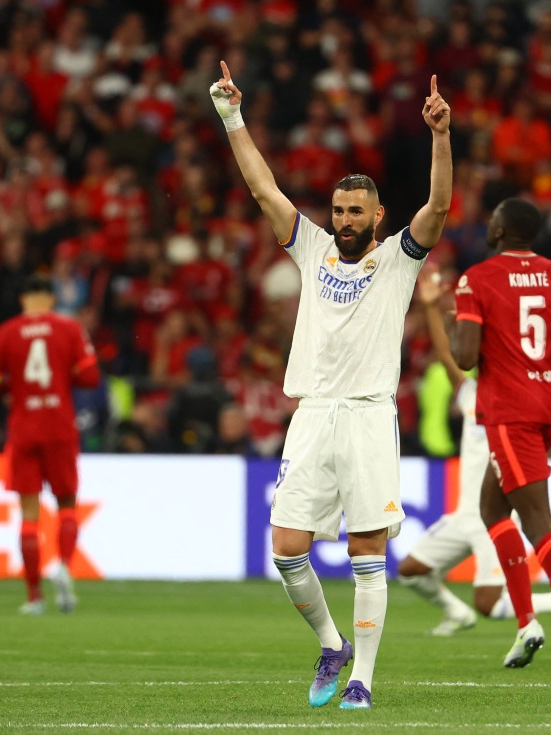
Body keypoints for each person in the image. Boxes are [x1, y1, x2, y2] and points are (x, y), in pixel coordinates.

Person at [211, 60, 451, 709]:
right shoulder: (310, 247)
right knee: (287, 549)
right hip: (313, 412)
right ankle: (330, 640)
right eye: (339, 209)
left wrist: (439, 136)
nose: (344, 218)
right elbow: (265, 191)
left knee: (367, 548)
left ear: (377, 216)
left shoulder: (398, 258)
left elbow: (439, 206)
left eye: (356, 211)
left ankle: (363, 679)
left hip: (370, 415)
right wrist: (232, 114)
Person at [449, 197, 551, 672]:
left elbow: (464, 358)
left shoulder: (477, 279)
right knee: (492, 505)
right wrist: (543, 363)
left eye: (492, 219)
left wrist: (448, 326)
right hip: (548, 405)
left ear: (501, 230)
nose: (488, 223)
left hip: (510, 409)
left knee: (537, 522)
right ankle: (526, 623)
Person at [398, 272, 551, 638]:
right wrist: (432, 306)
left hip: (491, 515)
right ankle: (456, 613)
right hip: (464, 514)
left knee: (490, 605)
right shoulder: (469, 394)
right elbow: (446, 354)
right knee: (411, 571)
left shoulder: (513, 398)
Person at [0, 275, 100, 616]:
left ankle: (34, 597)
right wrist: (64, 377)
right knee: (66, 503)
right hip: (59, 426)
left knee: (29, 514)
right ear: (50, 299)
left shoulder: (5, 332)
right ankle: (62, 565)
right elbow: (90, 377)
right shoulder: (69, 328)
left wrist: (12, 384)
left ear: (23, 300)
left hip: (24, 428)